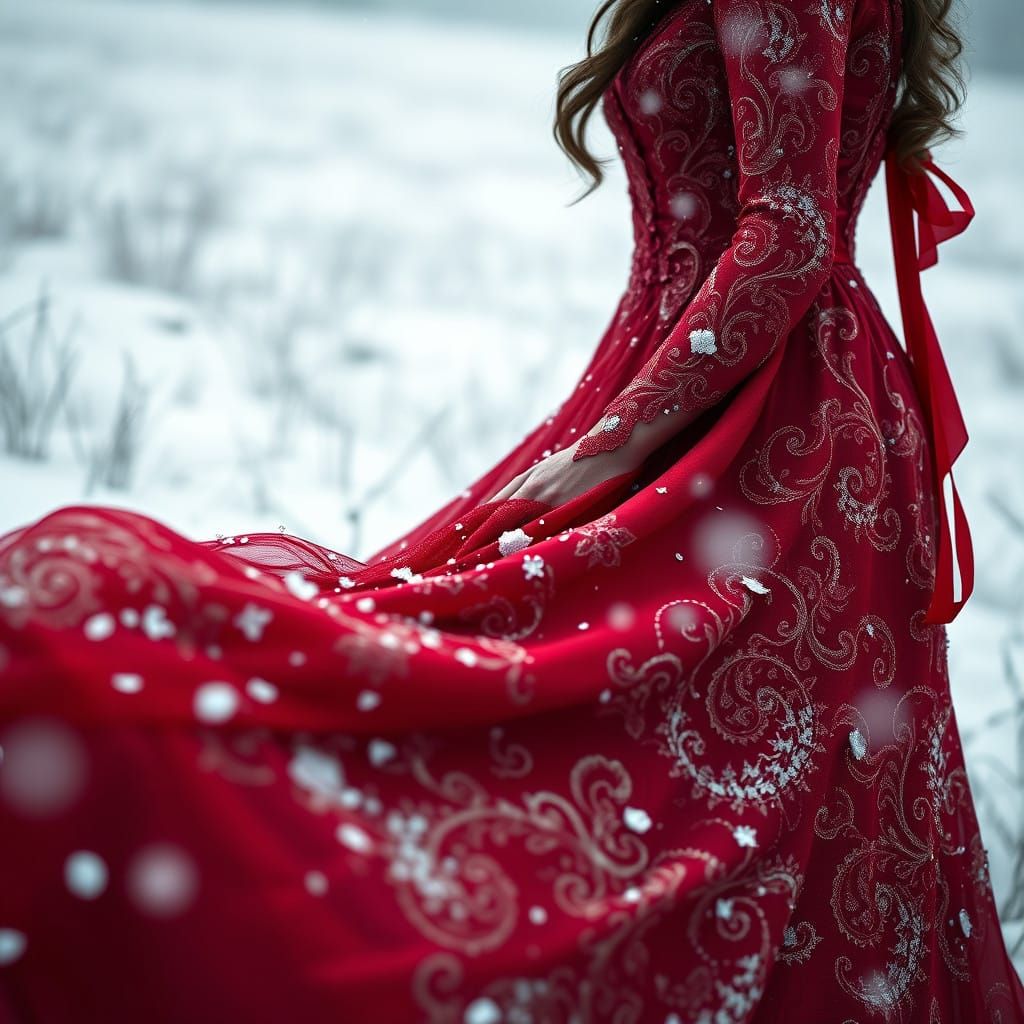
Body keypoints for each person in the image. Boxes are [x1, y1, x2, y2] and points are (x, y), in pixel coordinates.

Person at [1, 0, 1022, 1020]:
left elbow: (788, 235)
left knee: (667, 783)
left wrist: (621, 442)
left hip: (760, 436)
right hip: (731, 395)